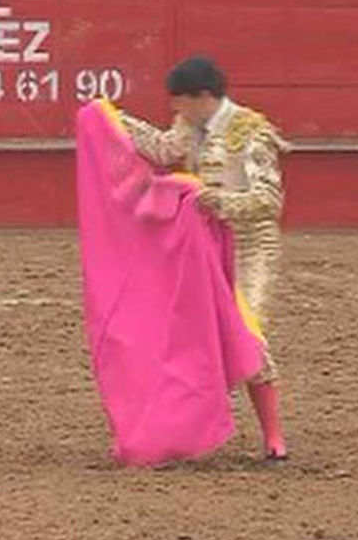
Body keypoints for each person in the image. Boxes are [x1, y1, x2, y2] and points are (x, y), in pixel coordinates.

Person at [117, 56, 290, 464]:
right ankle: (198, 425)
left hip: (250, 247)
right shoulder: (190, 126)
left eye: (181, 103)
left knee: (245, 333)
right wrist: (113, 121)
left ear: (203, 97)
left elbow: (270, 200)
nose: (176, 111)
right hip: (206, 245)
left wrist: (222, 202)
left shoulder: (251, 133)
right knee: (197, 334)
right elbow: (161, 150)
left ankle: (274, 438)